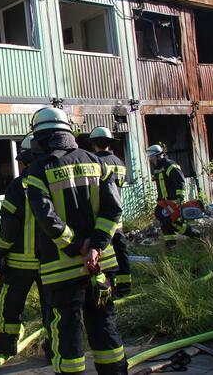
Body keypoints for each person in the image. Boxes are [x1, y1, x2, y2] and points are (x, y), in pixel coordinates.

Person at [26, 108, 127, 375]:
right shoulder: (97, 162)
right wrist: (96, 246)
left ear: (41, 136)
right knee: (104, 325)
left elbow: (46, 217)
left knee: (66, 332)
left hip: (62, 269)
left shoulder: (39, 169)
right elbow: (114, 209)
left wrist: (78, 245)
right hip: (100, 265)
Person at [0, 134, 50, 357]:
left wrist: (0, 252)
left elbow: (10, 225)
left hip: (20, 263)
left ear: (26, 160)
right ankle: (55, 347)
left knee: (9, 303)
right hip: (52, 261)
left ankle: (6, 343)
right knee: (52, 306)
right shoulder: (57, 182)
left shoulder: (19, 186)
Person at [89, 127, 131, 297]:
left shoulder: (94, 162)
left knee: (104, 253)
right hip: (117, 217)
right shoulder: (119, 162)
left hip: (101, 217)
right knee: (121, 250)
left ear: (93, 144)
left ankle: (106, 286)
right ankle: (125, 285)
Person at [146, 144, 201, 248]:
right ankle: (170, 246)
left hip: (172, 201)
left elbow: (180, 181)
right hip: (163, 201)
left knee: (172, 222)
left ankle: (196, 235)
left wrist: (179, 198)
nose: (150, 159)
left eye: (151, 156)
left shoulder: (169, 165)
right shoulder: (158, 168)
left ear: (158, 155)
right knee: (164, 222)